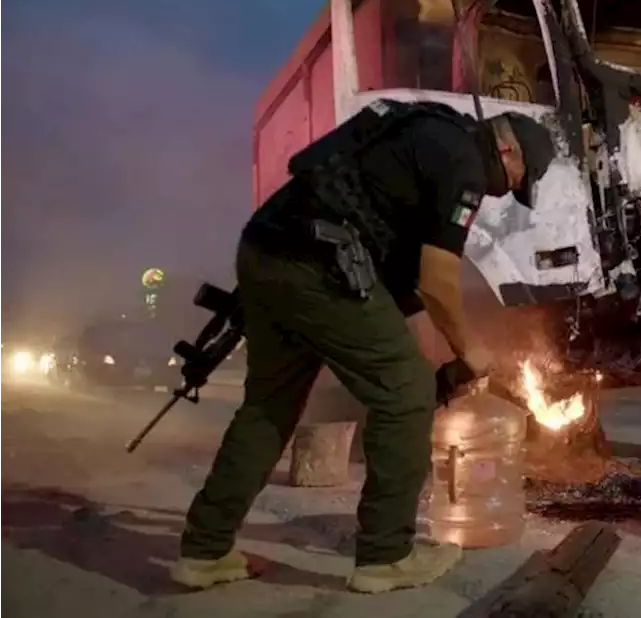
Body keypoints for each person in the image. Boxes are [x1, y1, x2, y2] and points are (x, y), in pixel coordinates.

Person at [170, 100, 556, 593]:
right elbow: (439, 281)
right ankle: (386, 556)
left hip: (267, 252)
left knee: (271, 406)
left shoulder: (426, 134)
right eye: (517, 179)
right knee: (405, 394)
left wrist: (426, 350)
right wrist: (471, 350)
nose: (507, 193)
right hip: (320, 262)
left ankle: (205, 550)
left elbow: (401, 278)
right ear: (506, 147)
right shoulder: (465, 162)